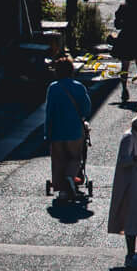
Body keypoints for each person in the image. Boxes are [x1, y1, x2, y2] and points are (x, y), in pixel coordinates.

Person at [108, 109, 137, 268]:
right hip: (131, 185)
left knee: (135, 219)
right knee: (131, 220)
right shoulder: (129, 138)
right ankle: (130, 255)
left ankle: (133, 253)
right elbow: (123, 160)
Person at [45, 52, 93, 202]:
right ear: (71, 70)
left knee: (58, 159)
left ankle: (62, 191)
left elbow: (49, 112)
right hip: (74, 130)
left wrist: (47, 132)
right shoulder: (79, 87)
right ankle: (70, 177)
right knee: (74, 157)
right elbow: (86, 109)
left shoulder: (52, 88)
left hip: (56, 131)